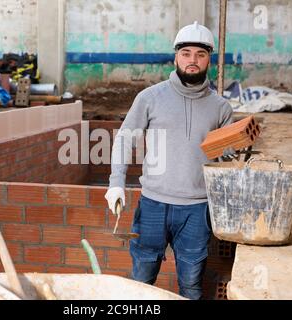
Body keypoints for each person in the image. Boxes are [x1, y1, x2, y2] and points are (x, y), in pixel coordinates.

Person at [104, 21, 233, 300]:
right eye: (186, 53)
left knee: (191, 287)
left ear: (209, 58)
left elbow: (226, 160)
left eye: (200, 55)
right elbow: (125, 139)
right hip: (153, 204)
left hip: (197, 209)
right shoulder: (150, 97)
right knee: (141, 284)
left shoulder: (221, 107)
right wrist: (116, 183)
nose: (192, 61)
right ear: (176, 56)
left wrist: (235, 150)